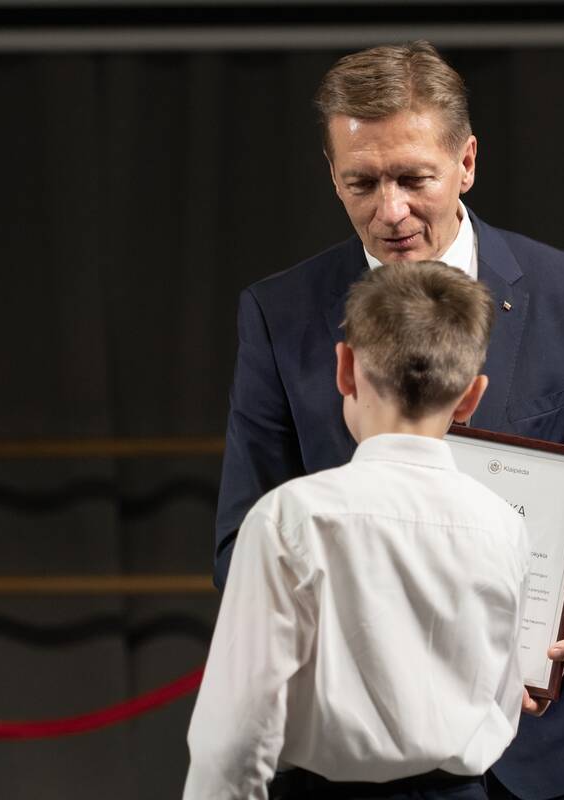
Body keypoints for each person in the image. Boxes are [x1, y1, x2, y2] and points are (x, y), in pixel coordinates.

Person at [213, 41, 564, 800]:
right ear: (331, 174)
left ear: (466, 162)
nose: (389, 211)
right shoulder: (278, 313)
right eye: (361, 182)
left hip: (525, 759)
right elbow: (244, 537)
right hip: (344, 755)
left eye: (412, 178)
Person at [185, 262, 530, 800]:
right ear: (471, 397)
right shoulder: (505, 525)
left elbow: (235, 735)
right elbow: (504, 700)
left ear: (344, 368)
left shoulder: (290, 519)